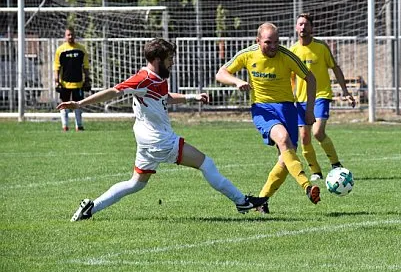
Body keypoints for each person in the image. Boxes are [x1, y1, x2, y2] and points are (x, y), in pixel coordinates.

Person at [58, 38, 267, 221]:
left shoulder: (157, 79)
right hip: (159, 140)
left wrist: (190, 97)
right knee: (206, 163)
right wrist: (79, 104)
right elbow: (113, 91)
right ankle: (242, 202)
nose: (172, 62)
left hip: (146, 140)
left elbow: (164, 97)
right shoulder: (144, 79)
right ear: (158, 60)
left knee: (136, 184)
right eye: (169, 59)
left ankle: (91, 208)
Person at [216, 22, 320, 214]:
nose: (273, 47)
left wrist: (309, 110)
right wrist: (237, 81)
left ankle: (261, 200)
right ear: (258, 41)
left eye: (276, 42)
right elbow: (221, 73)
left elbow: (310, 79)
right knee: (283, 139)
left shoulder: (287, 56)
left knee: (285, 159)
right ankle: (307, 186)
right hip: (263, 109)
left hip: (288, 109)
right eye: (268, 43)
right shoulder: (247, 54)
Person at [291, 13, 356, 181]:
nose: (303, 27)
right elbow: (289, 76)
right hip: (301, 99)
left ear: (312, 28)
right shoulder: (293, 50)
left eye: (306, 24)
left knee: (318, 132)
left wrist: (346, 92)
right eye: (300, 24)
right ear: (296, 28)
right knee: (304, 137)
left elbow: (335, 68)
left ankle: (335, 164)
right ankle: (316, 172)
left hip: (321, 95)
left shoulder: (321, 47)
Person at [54, 27, 92, 131]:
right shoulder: (60, 50)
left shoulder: (81, 49)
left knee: (78, 105)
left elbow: (85, 66)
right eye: (68, 35)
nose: (70, 37)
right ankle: (65, 126)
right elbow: (57, 67)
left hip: (78, 83)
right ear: (65, 36)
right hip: (65, 84)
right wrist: (57, 81)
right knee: (64, 105)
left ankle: (79, 126)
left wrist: (87, 79)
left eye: (72, 34)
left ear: (75, 35)